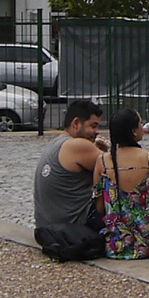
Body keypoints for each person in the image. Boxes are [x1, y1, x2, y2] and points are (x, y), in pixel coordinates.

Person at [94, 107, 149, 259]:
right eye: (141, 123)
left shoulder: (102, 161)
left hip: (116, 246)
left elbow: (100, 207)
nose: (144, 127)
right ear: (134, 131)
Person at [33, 98, 109, 232]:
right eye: (93, 126)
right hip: (74, 228)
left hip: (46, 228)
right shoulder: (77, 145)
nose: (97, 131)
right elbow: (122, 168)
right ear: (76, 123)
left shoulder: (57, 143)